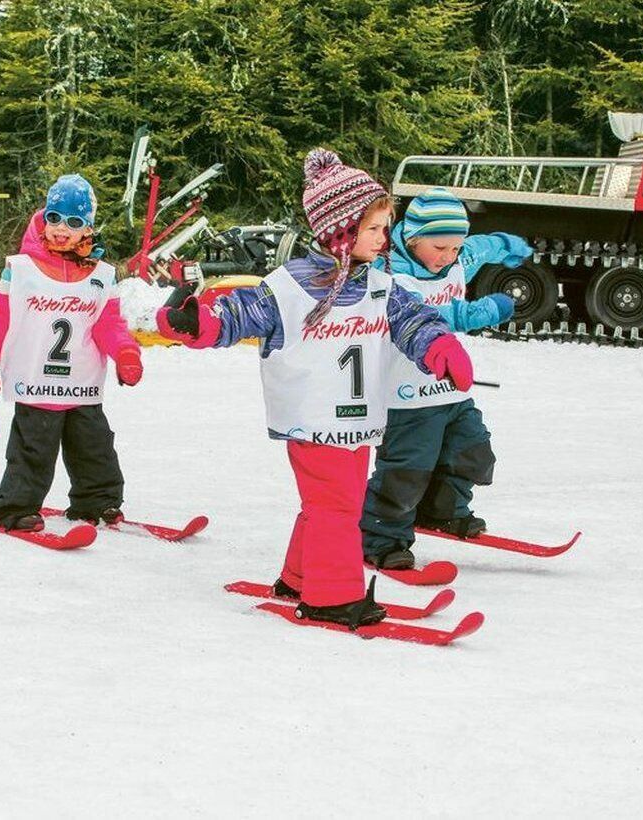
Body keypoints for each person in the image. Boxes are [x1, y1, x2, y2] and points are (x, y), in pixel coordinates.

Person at [155, 150, 472, 630]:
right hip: (312, 418)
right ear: (341, 231)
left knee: (325, 504)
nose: (385, 240)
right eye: (375, 229)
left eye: (386, 228)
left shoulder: (380, 286)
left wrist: (441, 347)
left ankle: (299, 578)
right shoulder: (289, 287)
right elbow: (239, 315)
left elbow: (414, 322)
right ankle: (332, 596)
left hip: (357, 421)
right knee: (338, 507)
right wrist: (196, 322)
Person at [360, 187, 532, 570]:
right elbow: (437, 318)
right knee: (407, 469)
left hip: (448, 386)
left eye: (454, 248)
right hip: (405, 397)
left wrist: (507, 245)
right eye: (440, 248)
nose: (448, 257)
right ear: (412, 238)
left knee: (472, 453)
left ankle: (441, 509)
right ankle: (381, 537)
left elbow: (479, 250)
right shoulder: (390, 277)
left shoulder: (452, 259)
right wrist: (487, 310)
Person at [0, 174, 143, 530]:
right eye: (54, 218)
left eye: (74, 222)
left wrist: (126, 354)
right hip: (35, 381)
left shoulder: (101, 274)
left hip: (81, 383)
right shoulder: (20, 269)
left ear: (88, 228)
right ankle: (15, 506)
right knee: (33, 449)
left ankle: (96, 501)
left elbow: (109, 323)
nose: (61, 229)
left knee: (95, 448)